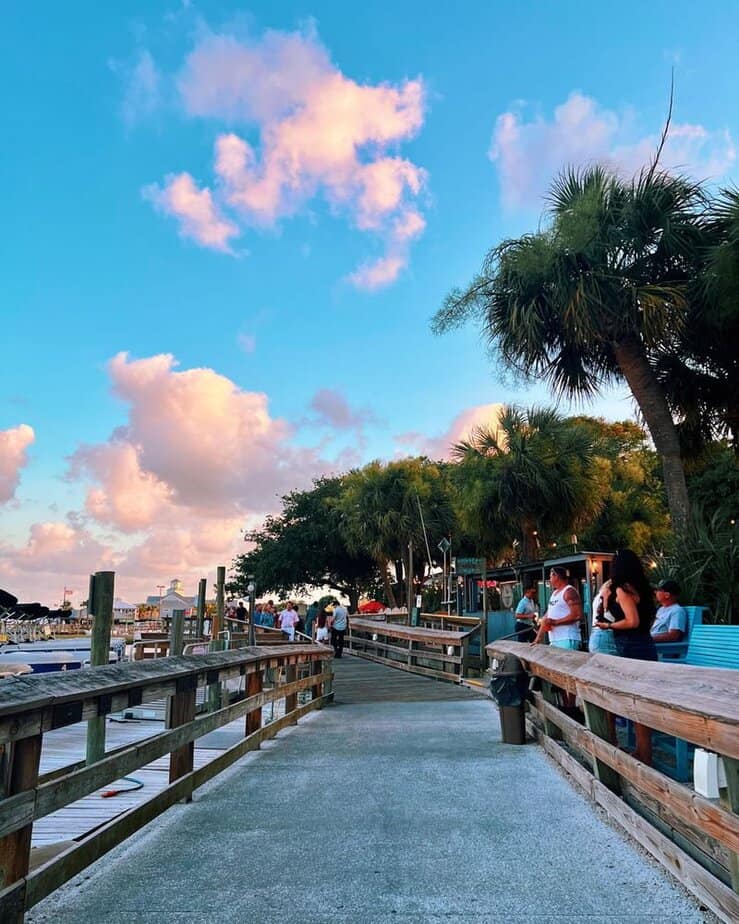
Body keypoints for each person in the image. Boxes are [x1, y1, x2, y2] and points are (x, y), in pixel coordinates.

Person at [594, 549, 657, 764]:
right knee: (642, 699)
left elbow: (632, 621)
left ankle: (643, 753)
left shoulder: (622, 589)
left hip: (630, 645)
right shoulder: (643, 588)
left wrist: (609, 624)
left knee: (635, 700)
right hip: (646, 644)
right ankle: (643, 750)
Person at [534, 567, 582, 650]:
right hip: (554, 639)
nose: (549, 579)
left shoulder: (569, 591)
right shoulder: (554, 593)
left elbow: (577, 615)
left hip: (567, 638)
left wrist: (555, 622)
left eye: (550, 577)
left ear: (556, 576)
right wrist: (538, 638)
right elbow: (546, 617)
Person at [588, 585, 617, 655]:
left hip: (598, 634)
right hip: (606, 633)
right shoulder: (608, 594)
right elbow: (607, 616)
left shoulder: (599, 596)